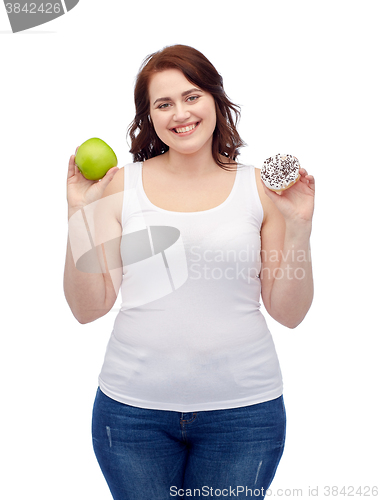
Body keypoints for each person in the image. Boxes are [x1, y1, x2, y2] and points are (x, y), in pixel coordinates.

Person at [64, 44, 315, 500]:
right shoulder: (119, 185)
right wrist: (78, 214)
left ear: (216, 100)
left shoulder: (261, 188)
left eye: (192, 95)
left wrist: (298, 230)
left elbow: (289, 313)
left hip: (244, 416)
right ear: (149, 117)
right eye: (164, 103)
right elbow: (88, 308)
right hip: (131, 416)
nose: (180, 113)